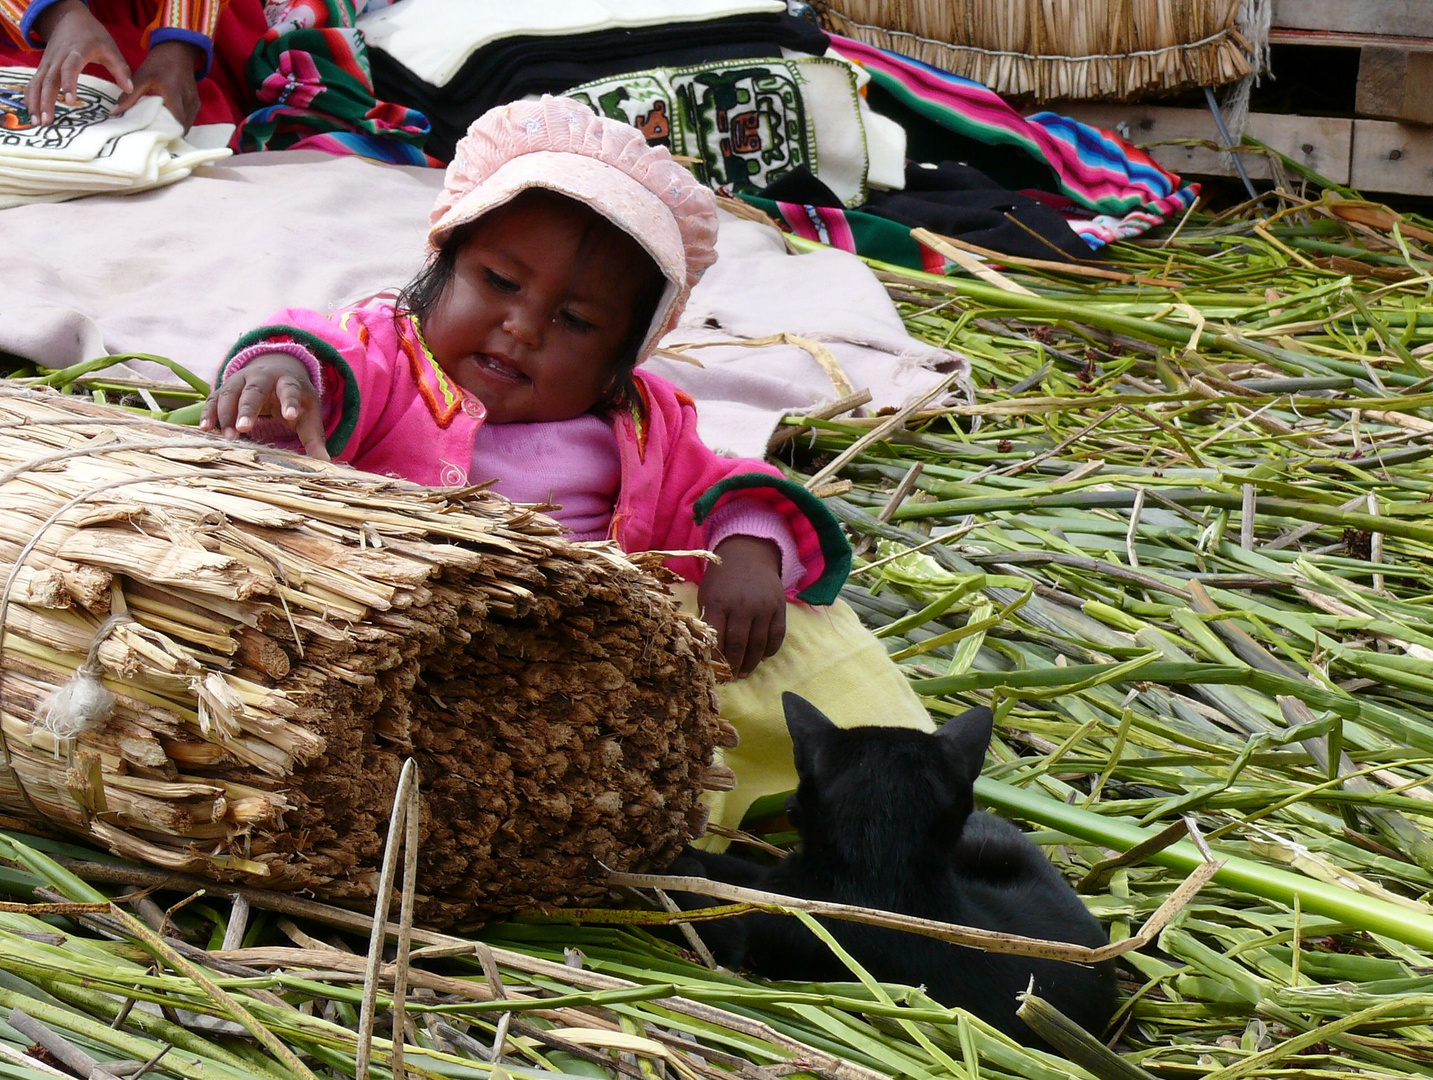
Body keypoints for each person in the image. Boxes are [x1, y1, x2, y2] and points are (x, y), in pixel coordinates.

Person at [204, 95, 933, 829]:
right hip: (403, 652)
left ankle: (887, 796)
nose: (523, 326)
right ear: (441, 266)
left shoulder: (641, 428)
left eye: (577, 321)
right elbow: (321, 358)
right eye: (499, 281)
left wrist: (746, 551)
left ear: (625, 357)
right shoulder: (393, 361)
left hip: (579, 686)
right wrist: (280, 376)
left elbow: (718, 487)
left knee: (808, 629)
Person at [0, 0, 264, 131]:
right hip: (37, 18)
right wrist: (58, 15)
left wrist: (180, 43)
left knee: (179, 112)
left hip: (167, 17)